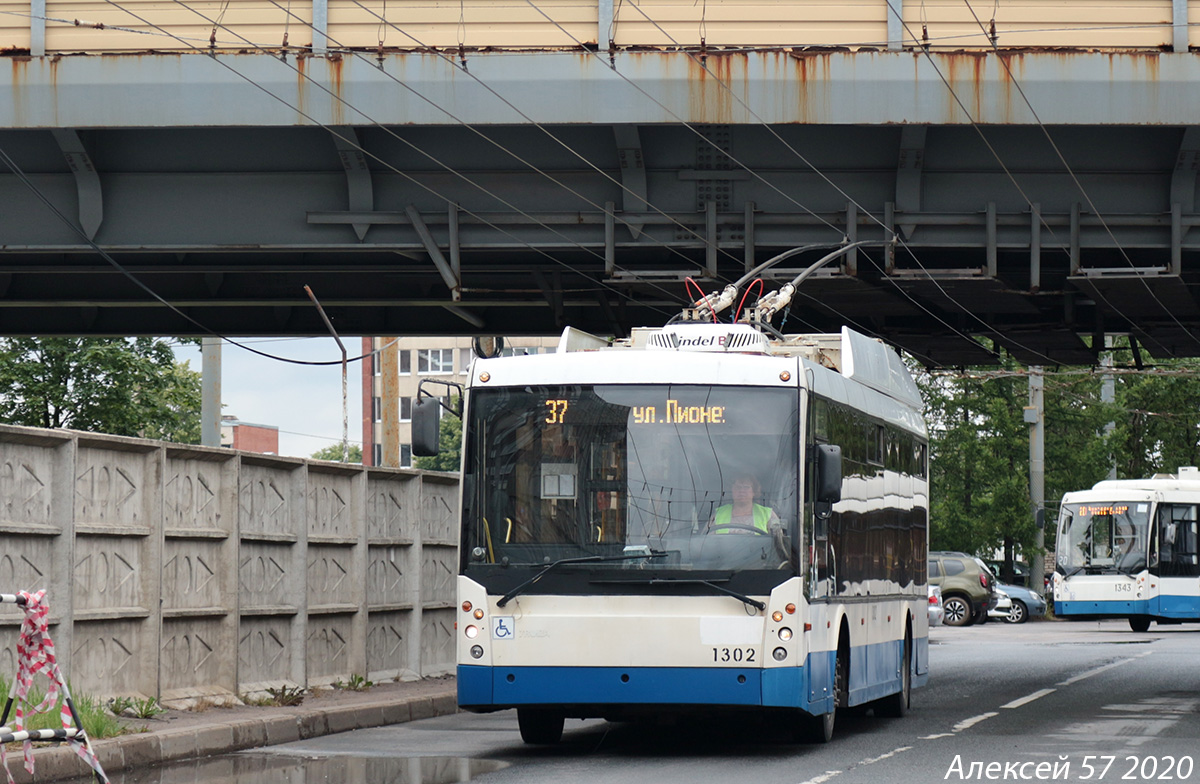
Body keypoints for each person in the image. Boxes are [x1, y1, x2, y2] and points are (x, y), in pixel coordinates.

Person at [708, 474, 781, 535]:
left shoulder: (768, 514)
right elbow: (707, 541)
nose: (742, 491)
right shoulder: (718, 514)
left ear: (754, 491)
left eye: (746, 487)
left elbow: (778, 540)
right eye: (738, 487)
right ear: (731, 491)